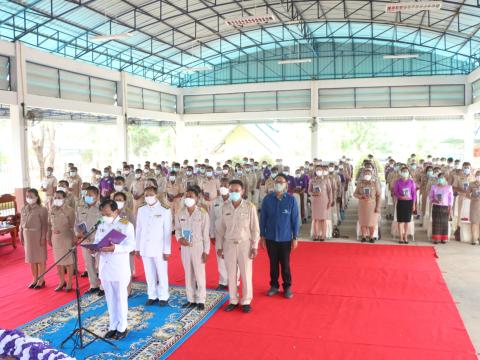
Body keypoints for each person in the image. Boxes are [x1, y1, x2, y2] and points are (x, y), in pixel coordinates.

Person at [91, 200, 135, 341]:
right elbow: (97, 241)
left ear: (116, 211)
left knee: (120, 298)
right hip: (105, 267)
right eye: (103, 213)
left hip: (119, 267)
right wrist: (94, 249)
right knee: (110, 298)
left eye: (107, 213)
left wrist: (115, 248)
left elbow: (130, 246)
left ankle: (122, 327)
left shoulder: (126, 225)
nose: (105, 216)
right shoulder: (101, 224)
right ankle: (113, 326)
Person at [216, 180, 260, 313]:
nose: (234, 193)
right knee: (231, 274)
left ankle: (246, 300)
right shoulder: (224, 207)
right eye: (231, 191)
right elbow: (221, 229)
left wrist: (255, 246)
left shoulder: (249, 207)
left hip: (244, 245)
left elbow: (255, 229)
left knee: (246, 274)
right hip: (229, 244)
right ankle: (233, 299)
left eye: (237, 190)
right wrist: (219, 246)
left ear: (243, 191)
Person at [260, 173, 299, 299]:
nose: (278, 184)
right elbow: (263, 219)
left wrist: (295, 237)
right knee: (273, 264)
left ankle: (287, 286)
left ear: (286, 185)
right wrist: (262, 236)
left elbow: (295, 219)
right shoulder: (267, 199)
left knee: (285, 264)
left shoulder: (291, 200)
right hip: (271, 238)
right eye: (277, 181)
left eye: (281, 182)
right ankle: (274, 286)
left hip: (286, 238)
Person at [135, 186, 172, 306]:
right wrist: (137, 247)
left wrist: (167, 250)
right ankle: (152, 295)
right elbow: (139, 229)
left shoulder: (165, 209)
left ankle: (163, 296)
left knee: (161, 273)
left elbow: (167, 231)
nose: (148, 197)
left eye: (151, 194)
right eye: (146, 195)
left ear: (156, 195)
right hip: (145, 247)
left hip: (159, 248)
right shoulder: (141, 209)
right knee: (149, 273)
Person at [175, 187, 210, 311]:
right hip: (185, 247)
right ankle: (191, 299)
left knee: (199, 275)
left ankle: (201, 299)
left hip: (198, 247)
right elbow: (178, 229)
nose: (188, 198)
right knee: (188, 274)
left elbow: (206, 234)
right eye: (187, 196)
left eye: (191, 196)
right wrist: (179, 239)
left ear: (197, 198)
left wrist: (206, 251)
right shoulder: (180, 213)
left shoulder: (202, 213)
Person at [75, 186, 103, 294]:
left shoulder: (101, 208)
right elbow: (76, 223)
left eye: (91, 195)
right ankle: (93, 285)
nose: (88, 197)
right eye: (86, 195)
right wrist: (78, 233)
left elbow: (105, 223)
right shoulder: (81, 208)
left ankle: (103, 286)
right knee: (89, 264)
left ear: (97, 196)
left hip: (98, 240)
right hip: (85, 240)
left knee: (100, 264)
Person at [20, 188, 48, 289]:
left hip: (37, 235)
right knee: (31, 259)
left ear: (37, 197)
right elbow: (21, 224)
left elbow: (45, 225)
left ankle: (41, 279)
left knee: (40, 259)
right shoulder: (24, 208)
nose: (29, 198)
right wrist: (21, 236)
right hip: (27, 236)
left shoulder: (42, 209)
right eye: (27, 196)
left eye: (31, 196)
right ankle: (34, 278)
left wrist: (43, 237)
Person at [47, 190, 75, 292]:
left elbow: (73, 226)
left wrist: (73, 238)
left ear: (64, 198)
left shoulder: (69, 210)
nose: (57, 199)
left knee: (68, 261)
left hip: (66, 237)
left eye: (59, 197)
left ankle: (69, 283)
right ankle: (62, 281)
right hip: (55, 238)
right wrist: (48, 236)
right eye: (55, 197)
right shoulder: (51, 210)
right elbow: (49, 225)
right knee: (58, 262)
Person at [209, 178, 232, 290]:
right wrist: (212, 234)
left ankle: (233, 281)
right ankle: (223, 282)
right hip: (219, 233)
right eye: (221, 185)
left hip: (232, 234)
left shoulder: (234, 200)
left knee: (233, 258)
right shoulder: (215, 202)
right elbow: (212, 218)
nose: (223, 187)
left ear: (230, 187)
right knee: (220, 257)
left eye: (226, 185)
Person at [354, 167, 381, 243]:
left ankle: (371, 237)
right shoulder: (360, 183)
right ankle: (363, 236)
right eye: (365, 174)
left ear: (371, 175)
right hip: (362, 206)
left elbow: (378, 196)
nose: (367, 175)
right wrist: (361, 196)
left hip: (372, 206)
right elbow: (355, 194)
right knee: (363, 222)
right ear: (363, 175)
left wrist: (378, 207)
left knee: (372, 222)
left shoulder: (375, 183)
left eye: (368, 174)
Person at [393, 166, 417, 244]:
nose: (405, 172)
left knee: (407, 221)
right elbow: (395, 192)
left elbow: (414, 194)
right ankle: (401, 237)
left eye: (406, 171)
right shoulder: (397, 182)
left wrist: (414, 205)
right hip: (401, 202)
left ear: (408, 173)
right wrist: (401, 197)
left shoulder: (411, 182)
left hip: (409, 203)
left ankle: (405, 236)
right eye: (403, 171)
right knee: (400, 221)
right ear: (400, 173)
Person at [308, 165, 332, 241]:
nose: (318, 171)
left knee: (323, 219)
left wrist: (330, 201)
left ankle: (323, 236)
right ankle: (315, 235)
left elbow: (330, 191)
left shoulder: (326, 180)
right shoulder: (312, 180)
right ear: (315, 171)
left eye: (320, 170)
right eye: (317, 170)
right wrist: (313, 194)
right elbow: (309, 191)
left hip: (324, 201)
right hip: (315, 201)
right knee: (315, 219)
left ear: (322, 171)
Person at [429, 173, 454, 244]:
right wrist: (435, 200)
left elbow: (451, 199)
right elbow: (430, 197)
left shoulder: (449, 187)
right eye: (439, 178)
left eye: (442, 178)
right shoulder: (434, 187)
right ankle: (436, 238)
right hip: (436, 206)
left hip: (445, 207)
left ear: (445, 179)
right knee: (436, 222)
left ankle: (444, 238)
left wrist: (450, 207)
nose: (441, 179)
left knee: (444, 223)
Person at [467, 171, 480, 245]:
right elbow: (467, 195)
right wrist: (473, 198)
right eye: (477, 175)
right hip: (474, 205)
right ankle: (474, 239)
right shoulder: (471, 184)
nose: (479, 176)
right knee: (474, 222)